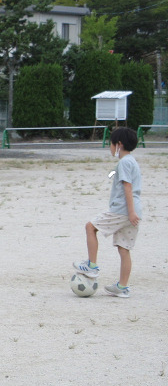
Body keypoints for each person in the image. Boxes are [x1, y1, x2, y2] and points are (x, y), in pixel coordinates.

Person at [73, 126, 142, 298]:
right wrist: (133, 213)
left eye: (110, 144)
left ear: (119, 144)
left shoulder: (124, 162)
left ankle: (92, 266)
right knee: (124, 248)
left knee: (90, 227)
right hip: (132, 211)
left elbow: (128, 186)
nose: (109, 148)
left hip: (122, 210)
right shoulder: (132, 161)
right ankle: (123, 287)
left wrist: (130, 212)